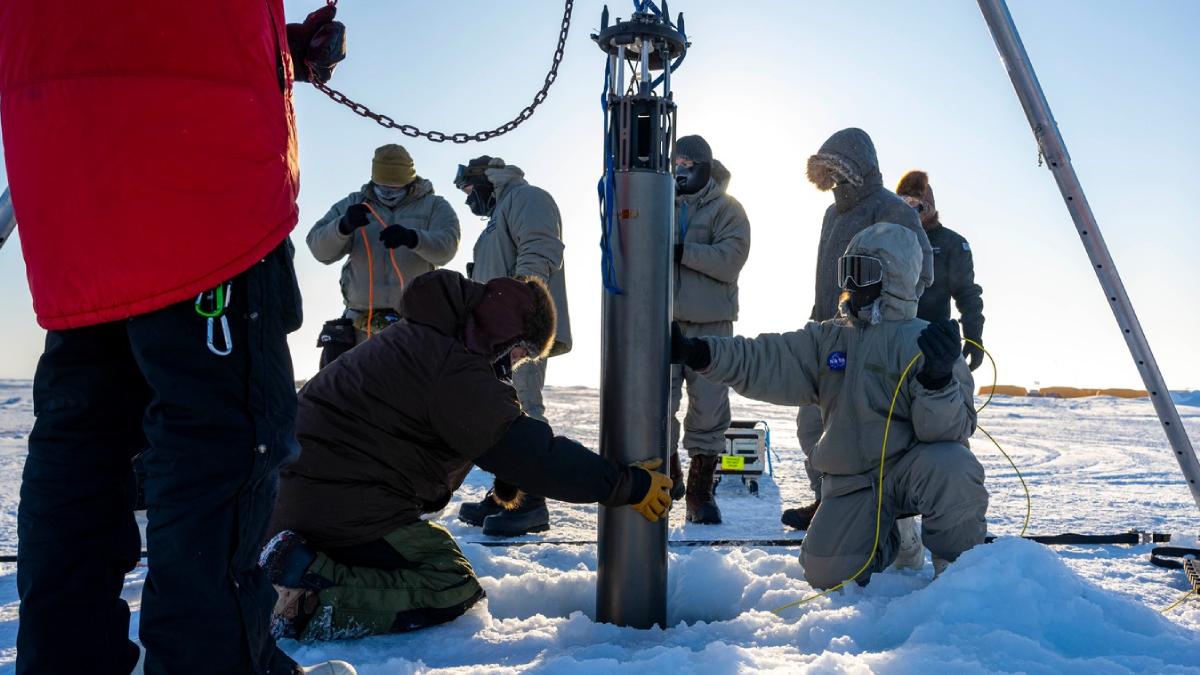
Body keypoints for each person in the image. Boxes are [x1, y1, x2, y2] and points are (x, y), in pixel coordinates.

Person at [0, 1, 353, 673]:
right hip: (196, 157)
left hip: (60, 145)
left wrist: (271, 44)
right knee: (214, 447)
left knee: (83, 441)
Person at [262, 270, 671, 639]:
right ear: (505, 334)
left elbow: (488, 427)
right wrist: (625, 484)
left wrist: (507, 456)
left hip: (300, 496)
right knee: (449, 581)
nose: (515, 364)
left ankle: (298, 563)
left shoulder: (427, 336)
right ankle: (303, 598)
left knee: (419, 553)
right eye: (521, 352)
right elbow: (533, 454)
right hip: (334, 502)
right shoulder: (451, 365)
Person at [672, 222, 988, 588]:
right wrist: (699, 352)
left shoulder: (925, 342)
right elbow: (766, 357)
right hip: (855, 480)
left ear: (895, 277)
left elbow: (948, 431)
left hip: (912, 469)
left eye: (864, 272)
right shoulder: (829, 338)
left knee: (954, 464)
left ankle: (959, 571)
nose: (852, 284)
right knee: (827, 573)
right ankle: (894, 538)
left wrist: (937, 380)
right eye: (847, 271)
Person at [784, 128, 935, 532]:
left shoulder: (894, 210)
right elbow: (825, 276)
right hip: (827, 330)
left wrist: (885, 314)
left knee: (866, 430)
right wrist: (818, 316)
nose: (835, 177)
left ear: (860, 167)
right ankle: (826, 501)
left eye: (840, 168)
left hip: (872, 338)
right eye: (828, 169)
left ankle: (883, 517)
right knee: (811, 424)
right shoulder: (831, 214)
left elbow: (924, 272)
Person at [452, 156, 574, 537]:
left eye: (469, 189)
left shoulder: (527, 197)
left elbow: (540, 249)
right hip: (498, 331)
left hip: (522, 326)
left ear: (485, 180)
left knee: (524, 406)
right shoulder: (500, 213)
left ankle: (531, 502)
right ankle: (508, 494)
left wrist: (521, 306)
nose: (468, 198)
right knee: (503, 410)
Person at [307, 144, 460, 363]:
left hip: (413, 325)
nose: (388, 194)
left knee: (409, 394)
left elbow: (447, 248)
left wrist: (413, 238)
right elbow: (317, 247)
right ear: (373, 180)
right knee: (352, 393)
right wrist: (342, 226)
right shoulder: (354, 203)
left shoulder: (435, 206)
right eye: (383, 188)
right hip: (360, 327)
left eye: (395, 188)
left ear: (410, 182)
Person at [668, 135, 751, 524]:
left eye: (688, 163)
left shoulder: (728, 210)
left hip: (711, 325)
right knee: (655, 404)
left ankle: (701, 492)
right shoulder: (658, 204)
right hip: (662, 322)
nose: (681, 170)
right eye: (676, 162)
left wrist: (682, 250)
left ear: (704, 166)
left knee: (709, 409)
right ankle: (668, 477)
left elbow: (730, 260)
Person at [896, 170, 986, 371]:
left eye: (916, 204)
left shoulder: (951, 244)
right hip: (888, 341)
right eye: (903, 202)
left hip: (931, 343)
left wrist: (973, 335)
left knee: (933, 399)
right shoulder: (886, 239)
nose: (911, 211)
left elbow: (967, 294)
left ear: (929, 207)